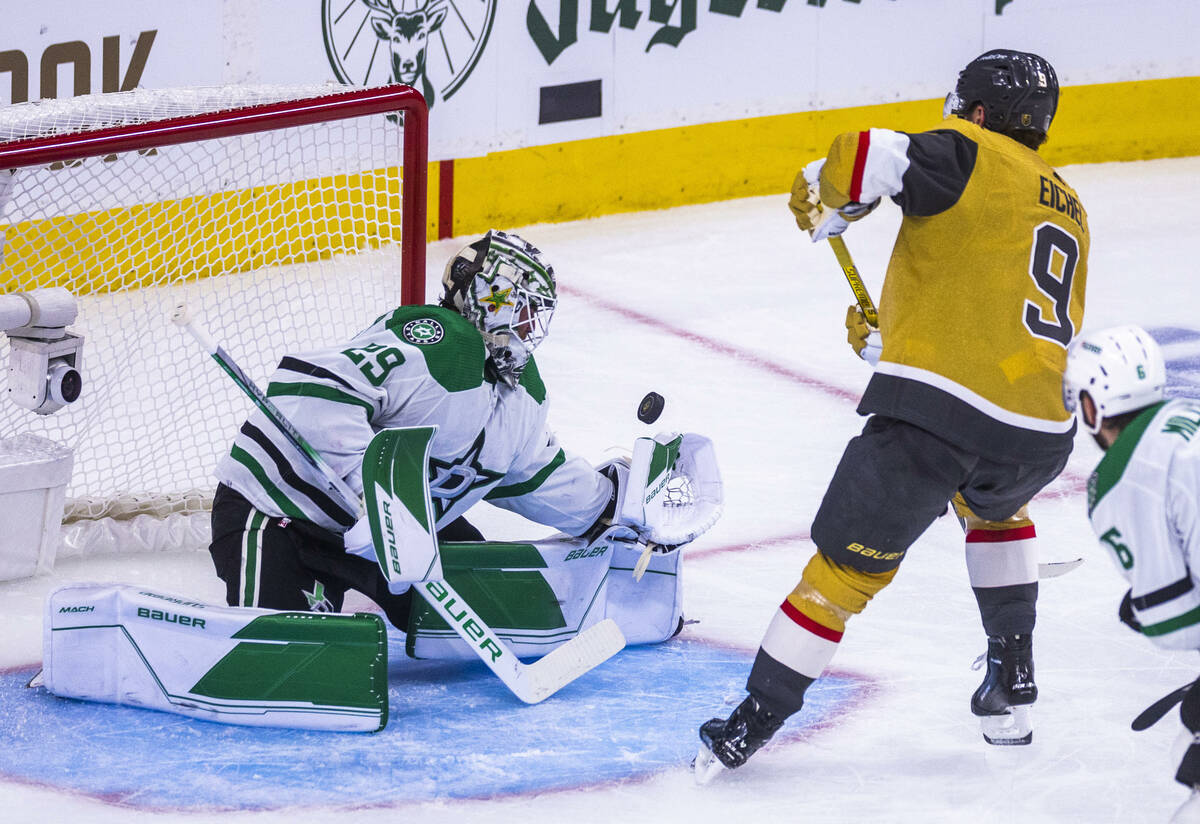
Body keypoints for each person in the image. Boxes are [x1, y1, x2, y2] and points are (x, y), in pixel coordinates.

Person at [696, 49, 1089, 776]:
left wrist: (828, 191)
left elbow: (866, 155)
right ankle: (1015, 679)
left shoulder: (968, 151)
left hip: (937, 425)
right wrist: (896, 344)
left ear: (974, 111)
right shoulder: (1065, 199)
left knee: (841, 576)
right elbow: (1002, 319)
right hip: (1040, 431)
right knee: (995, 513)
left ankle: (754, 721)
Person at [207, 229, 679, 641]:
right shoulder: (434, 342)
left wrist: (616, 506)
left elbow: (531, 473)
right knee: (293, 659)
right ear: (485, 296)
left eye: (537, 315)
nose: (529, 327)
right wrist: (372, 495)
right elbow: (315, 388)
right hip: (279, 514)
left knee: (507, 613)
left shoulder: (521, 392)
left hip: (406, 537)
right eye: (520, 308)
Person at [1062, 324, 1200, 820]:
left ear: (1093, 406)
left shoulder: (1119, 478)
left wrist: (1142, 606)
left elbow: (1177, 626)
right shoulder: (1190, 414)